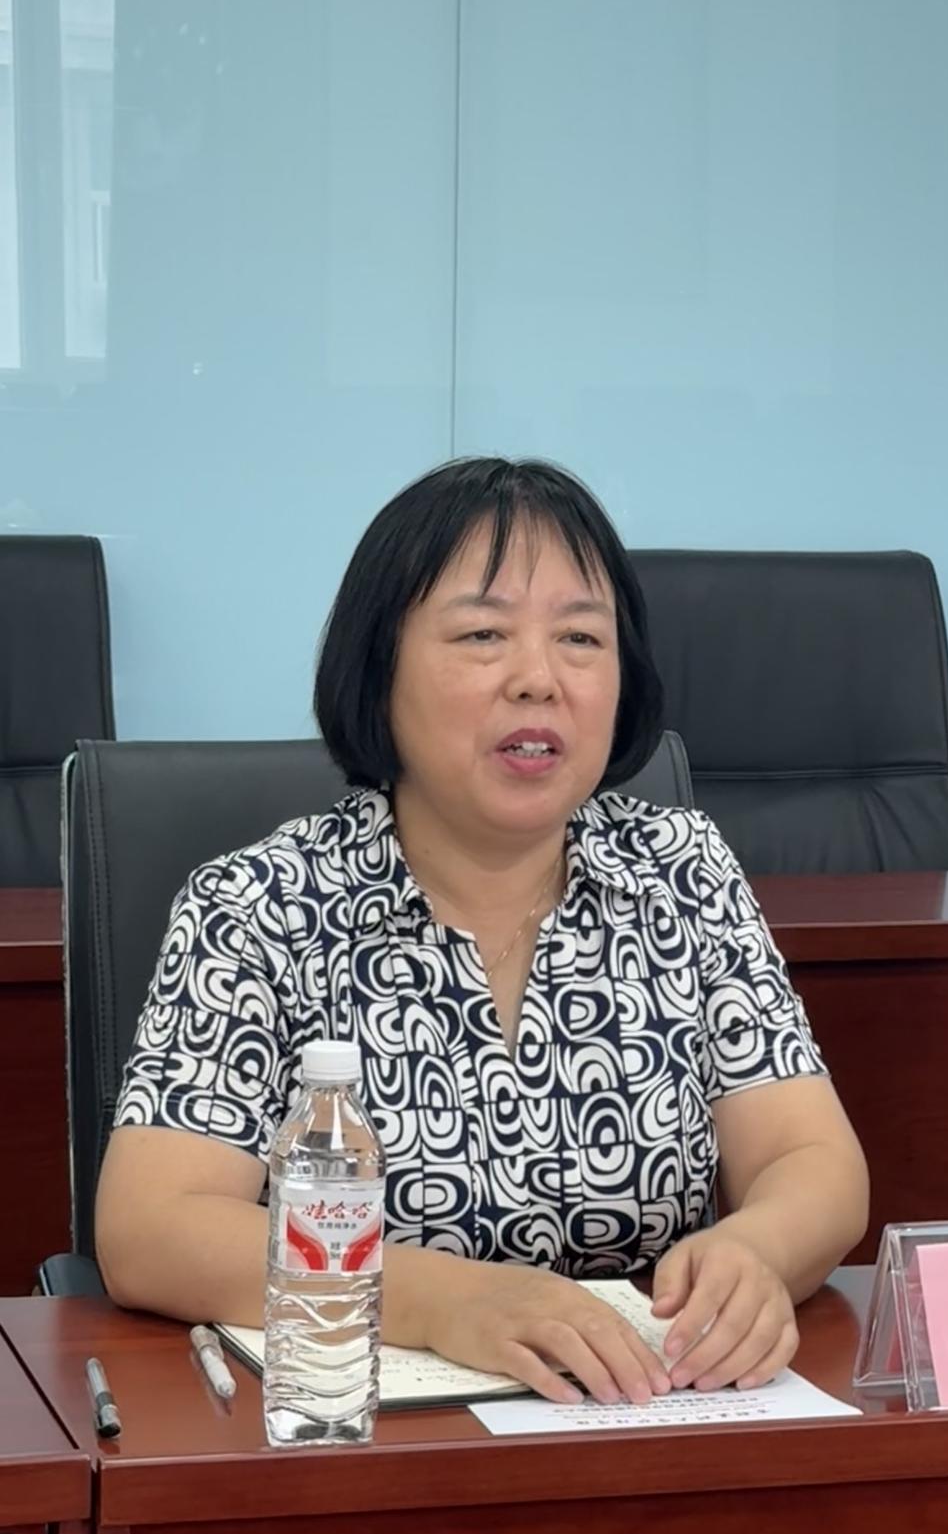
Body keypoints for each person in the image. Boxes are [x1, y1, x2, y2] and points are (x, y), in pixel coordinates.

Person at [96, 457, 868, 1405]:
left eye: (580, 637)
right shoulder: (261, 904)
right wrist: (444, 1299)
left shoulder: (680, 869)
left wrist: (756, 1251)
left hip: (646, 1415)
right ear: (379, 669)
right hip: (359, 1439)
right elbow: (148, 1227)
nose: (538, 679)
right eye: (482, 634)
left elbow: (811, 1160)